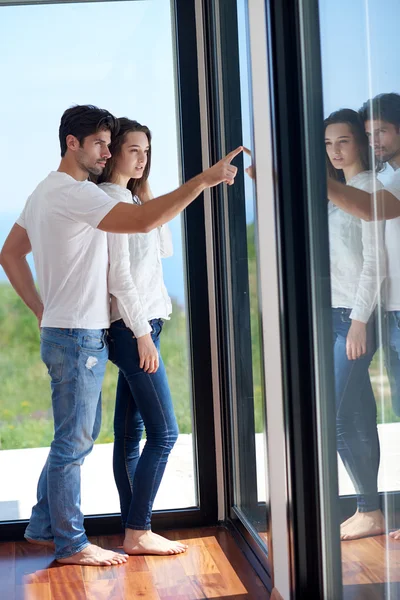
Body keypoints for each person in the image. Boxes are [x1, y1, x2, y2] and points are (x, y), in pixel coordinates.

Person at [0, 104, 242, 566]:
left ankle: (45, 524)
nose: (106, 153)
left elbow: (10, 254)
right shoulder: (79, 194)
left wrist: (40, 309)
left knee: (77, 437)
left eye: (112, 145)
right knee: (74, 443)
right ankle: (71, 544)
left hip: (66, 330)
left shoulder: (43, 190)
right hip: (78, 334)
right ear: (72, 142)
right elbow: (144, 223)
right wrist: (203, 181)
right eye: (100, 144)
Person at [94, 117, 186, 556]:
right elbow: (121, 279)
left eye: (147, 151)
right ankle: (139, 528)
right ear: (113, 152)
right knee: (164, 433)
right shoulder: (109, 203)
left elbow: (164, 248)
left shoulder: (131, 198)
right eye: (134, 150)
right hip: (135, 328)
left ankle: (134, 529)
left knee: (130, 434)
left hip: (145, 324)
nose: (142, 159)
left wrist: (146, 195)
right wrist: (142, 333)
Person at [327, 94, 400, 540]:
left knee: (336, 414)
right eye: (329, 143)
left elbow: (375, 261)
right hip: (335, 312)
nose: (336, 150)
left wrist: (358, 320)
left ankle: (369, 507)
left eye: (346, 141)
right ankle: (368, 509)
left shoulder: (374, 187)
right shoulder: (342, 195)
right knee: (353, 412)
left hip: (356, 316)